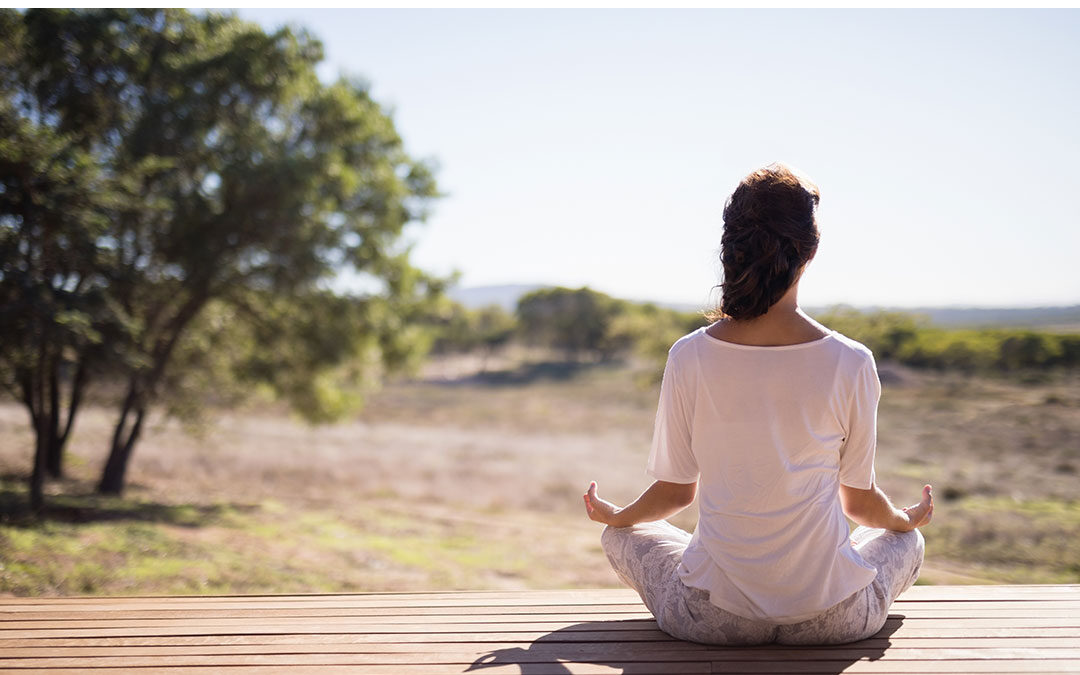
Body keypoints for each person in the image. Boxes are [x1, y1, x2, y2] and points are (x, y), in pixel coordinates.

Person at [582, 161, 933, 646]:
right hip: (833, 619)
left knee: (621, 536)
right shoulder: (852, 361)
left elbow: (675, 493)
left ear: (731, 249)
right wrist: (904, 520)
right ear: (809, 252)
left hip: (712, 619)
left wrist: (616, 516)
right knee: (906, 539)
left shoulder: (690, 355)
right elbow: (861, 504)